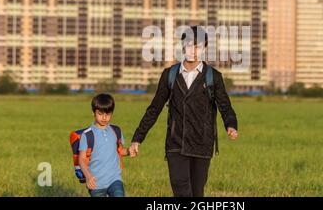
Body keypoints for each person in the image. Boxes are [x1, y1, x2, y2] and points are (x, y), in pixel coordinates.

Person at [129, 25, 238, 197]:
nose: (193, 50)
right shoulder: (170, 75)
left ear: (204, 49)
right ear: (182, 46)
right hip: (176, 144)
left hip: (202, 144)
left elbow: (225, 106)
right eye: (189, 45)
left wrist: (231, 125)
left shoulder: (213, 77)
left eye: (198, 46)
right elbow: (154, 108)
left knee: (197, 193)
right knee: (181, 190)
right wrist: (137, 139)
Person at [78, 93, 129, 197]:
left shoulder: (116, 130)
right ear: (93, 113)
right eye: (100, 114)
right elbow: (81, 160)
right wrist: (88, 176)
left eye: (108, 114)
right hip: (96, 183)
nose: (104, 117)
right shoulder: (87, 135)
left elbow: (119, 151)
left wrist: (129, 151)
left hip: (115, 179)